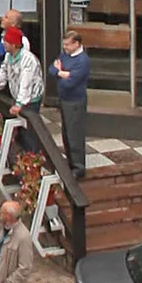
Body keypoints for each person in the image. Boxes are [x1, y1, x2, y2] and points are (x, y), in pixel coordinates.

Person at [49, 29, 90, 177]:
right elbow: (51, 69)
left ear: (76, 44)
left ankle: (78, 167)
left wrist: (60, 72)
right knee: (66, 133)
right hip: (64, 99)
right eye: (64, 44)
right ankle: (70, 162)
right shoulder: (64, 55)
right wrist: (63, 73)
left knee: (75, 134)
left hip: (75, 101)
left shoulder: (83, 60)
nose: (64, 47)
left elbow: (70, 82)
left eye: (67, 44)